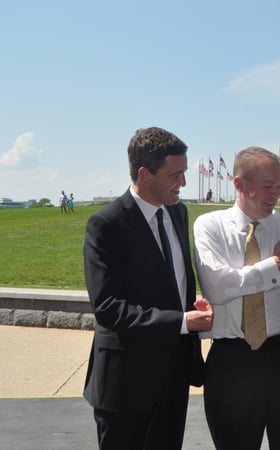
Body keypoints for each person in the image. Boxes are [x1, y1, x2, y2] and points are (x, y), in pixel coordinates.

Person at [82, 126, 213, 449]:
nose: (183, 182)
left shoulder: (179, 212)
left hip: (174, 375)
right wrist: (181, 322)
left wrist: (191, 305)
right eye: (176, 174)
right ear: (145, 173)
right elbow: (108, 307)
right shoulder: (106, 225)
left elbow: (171, 281)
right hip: (126, 384)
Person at [193, 146, 280, 449]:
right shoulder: (210, 226)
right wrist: (276, 264)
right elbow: (217, 287)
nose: (275, 194)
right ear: (239, 184)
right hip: (232, 362)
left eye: (279, 186)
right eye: (267, 186)